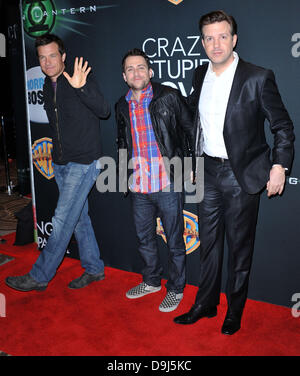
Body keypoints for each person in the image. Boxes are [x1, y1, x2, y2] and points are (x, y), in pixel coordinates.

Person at [174, 10, 295, 334]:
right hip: (208, 171)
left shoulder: (258, 76)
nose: (216, 44)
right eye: (209, 37)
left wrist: (279, 166)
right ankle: (206, 303)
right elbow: (197, 124)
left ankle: (234, 310)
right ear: (202, 42)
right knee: (209, 244)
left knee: (240, 248)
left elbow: (282, 126)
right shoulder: (199, 74)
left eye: (222, 36)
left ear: (234, 39)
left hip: (241, 175)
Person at [6, 34, 110, 291]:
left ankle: (40, 276)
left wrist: (80, 87)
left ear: (63, 56)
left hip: (84, 162)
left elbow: (104, 110)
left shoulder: (79, 78)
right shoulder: (44, 85)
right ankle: (94, 268)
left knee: (62, 219)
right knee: (78, 219)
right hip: (61, 163)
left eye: (53, 55)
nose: (48, 61)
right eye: (42, 57)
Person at [115, 48, 195, 312]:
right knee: (144, 238)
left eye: (141, 68)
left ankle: (176, 288)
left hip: (167, 182)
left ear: (149, 72)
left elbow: (191, 129)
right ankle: (151, 281)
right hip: (139, 186)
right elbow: (123, 142)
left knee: (174, 240)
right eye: (130, 69)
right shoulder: (121, 105)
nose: (136, 73)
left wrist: (191, 164)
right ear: (124, 76)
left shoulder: (169, 97)